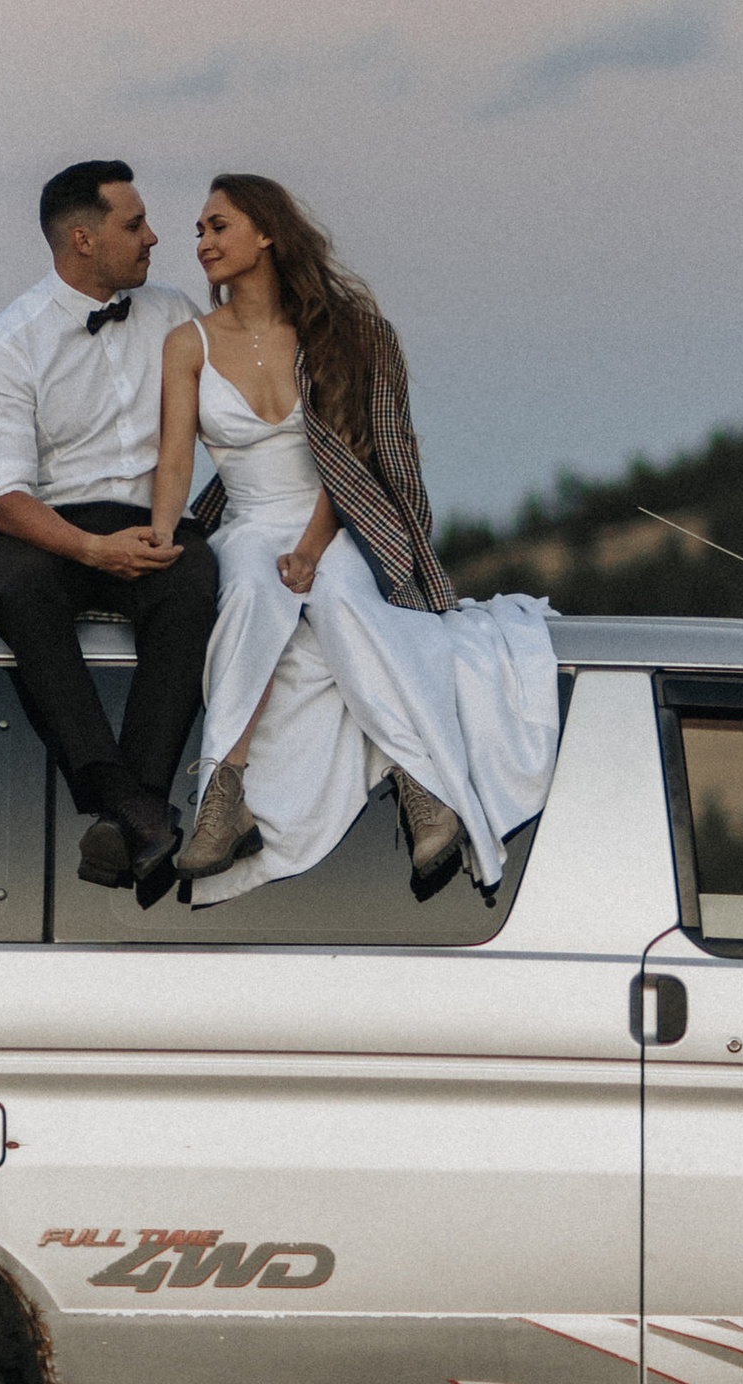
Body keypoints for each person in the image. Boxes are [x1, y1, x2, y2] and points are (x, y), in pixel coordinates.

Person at [148, 175, 557, 902]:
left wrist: (311, 549)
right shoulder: (188, 344)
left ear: (266, 233)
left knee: (343, 601)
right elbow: (177, 459)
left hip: (339, 514)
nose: (203, 244)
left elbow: (356, 458)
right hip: (246, 518)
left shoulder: (341, 334)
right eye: (200, 233)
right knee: (247, 587)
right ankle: (223, 791)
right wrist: (158, 536)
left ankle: (424, 785)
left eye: (218, 226)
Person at [0, 162, 220, 898]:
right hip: (52, 531)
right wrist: (90, 549)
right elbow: (4, 495)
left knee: (195, 581)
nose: (154, 237)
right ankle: (130, 800)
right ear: (83, 238)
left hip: (154, 517)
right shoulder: (8, 345)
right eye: (134, 225)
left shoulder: (177, 316)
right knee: (19, 590)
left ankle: (127, 818)